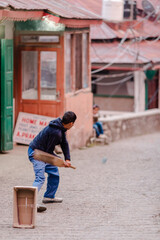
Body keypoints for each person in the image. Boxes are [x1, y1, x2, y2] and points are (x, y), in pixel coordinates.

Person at [28, 111, 77, 212]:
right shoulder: (56, 132)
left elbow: (64, 143)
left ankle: (49, 196)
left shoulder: (60, 127)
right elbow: (48, 152)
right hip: (36, 153)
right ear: (71, 123)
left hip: (43, 152)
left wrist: (67, 159)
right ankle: (31, 202)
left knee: (54, 173)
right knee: (40, 178)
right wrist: (61, 161)